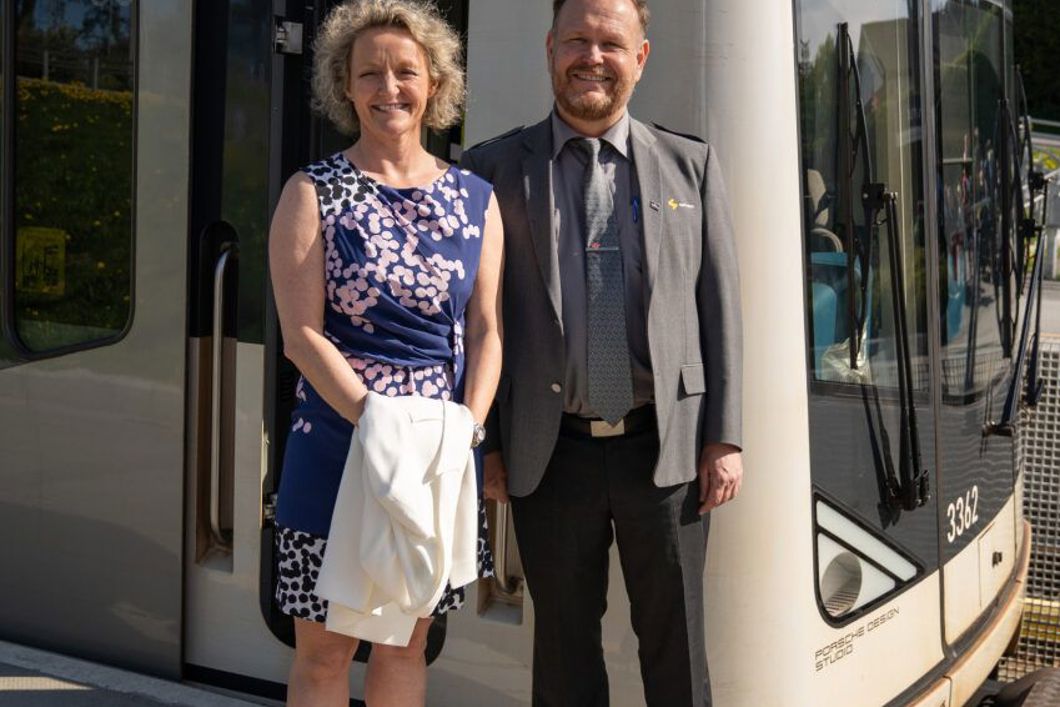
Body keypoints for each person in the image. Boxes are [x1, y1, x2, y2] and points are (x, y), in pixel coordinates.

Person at [460, 0, 742, 705]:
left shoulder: (690, 165)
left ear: (640, 58)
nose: (592, 57)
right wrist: (486, 444)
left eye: (611, 43)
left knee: (678, 650)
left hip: (667, 448)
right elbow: (475, 322)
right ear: (550, 48)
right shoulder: (490, 169)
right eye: (577, 40)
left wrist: (724, 436)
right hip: (550, 452)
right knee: (564, 655)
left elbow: (719, 309)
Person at [268, 1, 503, 705]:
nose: (389, 87)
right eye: (369, 72)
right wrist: (375, 420)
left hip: (436, 455)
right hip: (338, 445)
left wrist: (467, 428)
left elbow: (487, 329)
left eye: (406, 71)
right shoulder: (311, 192)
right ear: (345, 86)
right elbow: (302, 336)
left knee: (406, 645)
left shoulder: (477, 199)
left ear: (436, 83)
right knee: (324, 652)